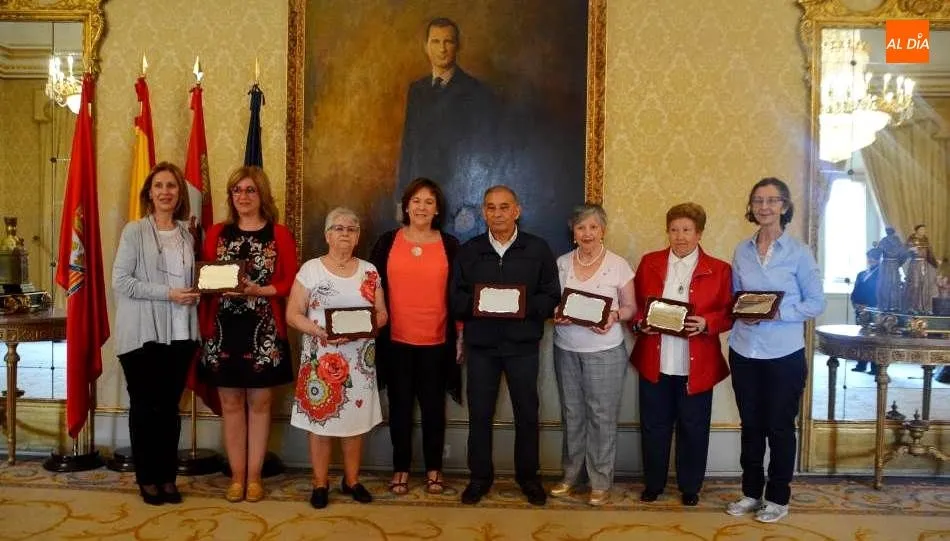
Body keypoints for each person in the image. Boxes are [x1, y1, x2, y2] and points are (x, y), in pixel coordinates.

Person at [450, 185, 560, 506]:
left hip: (523, 347)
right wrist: (482, 304)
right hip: (482, 347)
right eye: (490, 208)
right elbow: (455, 298)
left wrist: (521, 306)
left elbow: (552, 295)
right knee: (480, 414)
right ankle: (479, 478)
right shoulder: (469, 251)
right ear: (484, 212)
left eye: (504, 207)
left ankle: (529, 478)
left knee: (527, 413)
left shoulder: (537, 249)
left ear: (517, 210)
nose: (497, 213)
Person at [726, 177, 825, 523]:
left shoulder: (800, 252)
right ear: (751, 207)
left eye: (771, 201)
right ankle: (751, 492)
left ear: (784, 206)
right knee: (750, 425)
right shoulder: (741, 250)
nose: (764, 207)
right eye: (757, 201)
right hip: (743, 350)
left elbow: (816, 303)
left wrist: (775, 312)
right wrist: (742, 312)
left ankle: (778, 498)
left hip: (784, 355)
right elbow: (735, 298)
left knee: (780, 427)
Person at [198, 166, 297, 503]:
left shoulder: (279, 234)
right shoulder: (216, 233)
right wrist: (215, 289)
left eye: (250, 190)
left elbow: (290, 283)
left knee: (260, 402)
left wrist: (261, 289)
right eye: (237, 190)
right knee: (230, 402)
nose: (243, 196)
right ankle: (236, 477)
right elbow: (205, 277)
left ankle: (254, 477)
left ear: (262, 195)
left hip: (263, 328)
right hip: (223, 327)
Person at [630, 202, 733, 507]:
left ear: (699, 233)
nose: (680, 236)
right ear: (668, 232)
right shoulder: (649, 262)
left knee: (693, 427)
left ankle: (690, 486)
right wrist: (639, 324)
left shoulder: (720, 269)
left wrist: (707, 322)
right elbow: (635, 307)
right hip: (655, 359)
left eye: (687, 230)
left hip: (697, 364)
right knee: (654, 425)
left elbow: (729, 313)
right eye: (674, 230)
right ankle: (654, 484)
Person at [287, 207, 389, 509]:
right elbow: (292, 314)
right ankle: (320, 483)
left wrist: (369, 326)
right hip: (320, 360)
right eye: (339, 228)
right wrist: (319, 331)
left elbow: (382, 313)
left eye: (351, 228)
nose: (345, 233)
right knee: (320, 424)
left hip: (359, 361)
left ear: (358, 236)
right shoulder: (311, 270)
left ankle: (352, 480)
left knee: (354, 424)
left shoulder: (370, 271)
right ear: (327, 235)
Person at [112, 162, 201, 505]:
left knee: (169, 409)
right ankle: (147, 478)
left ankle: (167, 478)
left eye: (172, 186)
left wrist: (192, 291)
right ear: (149, 192)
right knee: (146, 408)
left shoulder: (186, 234)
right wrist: (169, 293)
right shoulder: (133, 232)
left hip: (180, 335)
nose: (166, 192)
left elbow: (189, 281)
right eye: (159, 186)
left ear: (180, 194)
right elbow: (121, 281)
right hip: (142, 337)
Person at [369, 178, 462, 496]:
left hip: (438, 341)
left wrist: (460, 335)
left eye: (429, 202)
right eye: (416, 201)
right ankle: (401, 470)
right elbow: (372, 287)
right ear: (406, 206)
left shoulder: (450, 245)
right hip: (396, 341)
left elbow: (460, 294)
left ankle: (435, 470)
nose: (422, 207)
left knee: (434, 409)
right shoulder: (387, 242)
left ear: (437, 209)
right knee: (400, 409)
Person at [549, 204, 635, 506]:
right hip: (566, 348)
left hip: (605, 351)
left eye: (593, 227)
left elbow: (630, 308)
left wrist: (613, 315)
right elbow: (552, 304)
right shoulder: (560, 264)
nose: (587, 233)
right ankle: (571, 476)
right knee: (572, 415)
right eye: (581, 228)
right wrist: (556, 313)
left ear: (603, 231)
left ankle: (600, 480)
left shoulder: (618, 265)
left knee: (601, 416)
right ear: (573, 233)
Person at [397, 17, 498, 240]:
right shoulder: (417, 90)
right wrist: (400, 197)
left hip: (459, 200)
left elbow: (482, 154)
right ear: (426, 47)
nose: (442, 49)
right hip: (420, 199)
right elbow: (409, 145)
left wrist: (470, 203)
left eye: (448, 42)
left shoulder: (475, 91)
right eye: (435, 42)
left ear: (457, 46)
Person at [850, 247, 882, 373]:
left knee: (874, 339)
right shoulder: (862, 273)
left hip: (873, 309)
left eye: (873, 257)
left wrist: (869, 306)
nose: (870, 259)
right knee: (861, 337)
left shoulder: (882, 274)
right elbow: (856, 290)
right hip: (860, 308)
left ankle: (875, 367)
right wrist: (855, 303)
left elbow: (879, 293)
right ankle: (861, 364)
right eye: (869, 257)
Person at [903, 224, 939, 314]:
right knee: (915, 285)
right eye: (921, 229)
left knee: (925, 285)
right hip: (915, 264)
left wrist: (935, 261)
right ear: (917, 230)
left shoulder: (925, 239)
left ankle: (925, 308)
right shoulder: (911, 239)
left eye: (924, 229)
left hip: (924, 264)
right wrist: (911, 249)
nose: (923, 231)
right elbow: (904, 250)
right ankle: (912, 307)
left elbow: (929, 253)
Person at [875, 227, 906, 312]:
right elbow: (903, 255)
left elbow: (877, 253)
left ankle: (887, 305)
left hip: (887, 265)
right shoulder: (897, 241)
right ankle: (892, 306)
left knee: (887, 284)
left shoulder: (884, 241)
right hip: (893, 264)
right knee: (892, 284)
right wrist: (899, 263)